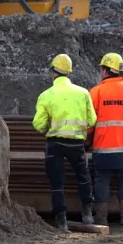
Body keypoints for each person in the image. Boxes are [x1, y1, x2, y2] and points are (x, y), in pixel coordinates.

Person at [32, 54, 98, 230]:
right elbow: (92, 120)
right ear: (69, 73)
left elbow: (38, 124)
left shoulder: (46, 95)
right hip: (76, 144)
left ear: (53, 73)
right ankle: (87, 215)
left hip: (55, 144)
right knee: (83, 177)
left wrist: (48, 127)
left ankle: (61, 220)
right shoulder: (83, 93)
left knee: (57, 181)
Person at [87, 53, 123, 226]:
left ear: (105, 70)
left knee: (101, 180)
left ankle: (101, 218)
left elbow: (88, 123)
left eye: (101, 68)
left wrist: (88, 141)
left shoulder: (96, 92)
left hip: (103, 149)